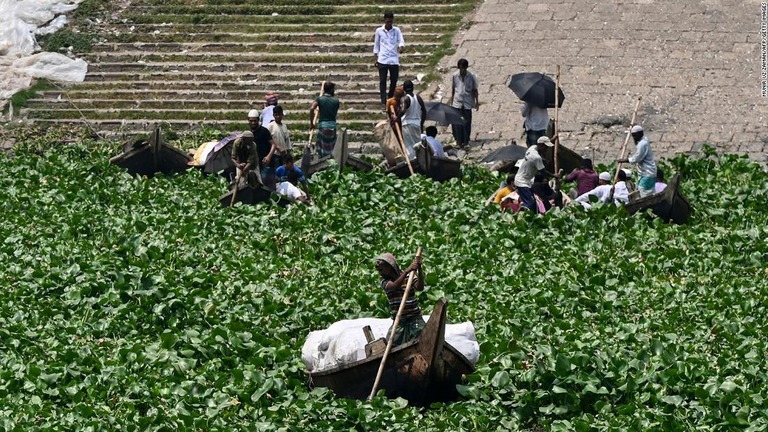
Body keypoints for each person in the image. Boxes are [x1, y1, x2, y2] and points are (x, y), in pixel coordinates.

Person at [374, 252, 424, 345]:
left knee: (424, 338)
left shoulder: (410, 276)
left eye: (381, 270)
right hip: (399, 320)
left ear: (390, 267)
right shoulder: (384, 281)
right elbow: (394, 286)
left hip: (414, 318)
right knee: (391, 344)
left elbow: (420, 287)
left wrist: (419, 269)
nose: (380, 273)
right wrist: (406, 271)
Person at [513, 136, 558, 213]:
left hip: (525, 179)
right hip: (522, 182)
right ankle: (527, 217)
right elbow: (543, 171)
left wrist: (552, 138)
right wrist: (555, 176)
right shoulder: (537, 158)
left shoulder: (532, 148)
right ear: (541, 146)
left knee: (531, 200)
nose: (546, 150)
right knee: (531, 204)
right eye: (546, 147)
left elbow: (540, 143)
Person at [373, 11, 405, 110]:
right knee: (382, 81)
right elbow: (376, 45)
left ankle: (390, 98)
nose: (389, 24)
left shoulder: (397, 30)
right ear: (384, 20)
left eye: (391, 22)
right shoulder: (379, 31)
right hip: (382, 59)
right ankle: (383, 102)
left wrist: (401, 47)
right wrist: (375, 58)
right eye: (388, 22)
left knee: (394, 80)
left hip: (393, 59)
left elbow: (401, 41)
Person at [617, 125, 656, 197]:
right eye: (633, 136)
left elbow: (637, 158)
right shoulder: (644, 140)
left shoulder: (642, 144)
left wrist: (624, 160)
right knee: (649, 192)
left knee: (642, 190)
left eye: (635, 136)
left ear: (640, 134)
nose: (634, 138)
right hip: (650, 172)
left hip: (647, 172)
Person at [449, 58, 479, 148]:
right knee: (457, 123)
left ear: (466, 68)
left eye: (463, 69)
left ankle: (466, 141)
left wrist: (476, 102)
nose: (462, 70)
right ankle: (458, 141)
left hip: (467, 102)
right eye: (460, 68)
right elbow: (453, 88)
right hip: (457, 101)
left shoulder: (471, 76)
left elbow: (475, 90)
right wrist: (452, 100)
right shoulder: (455, 76)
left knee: (466, 122)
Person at [247, 109, 278, 189]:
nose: (253, 123)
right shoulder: (249, 134)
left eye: (255, 121)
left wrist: (268, 156)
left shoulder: (264, 131)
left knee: (269, 186)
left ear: (258, 120)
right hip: (256, 164)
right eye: (251, 121)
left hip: (266, 163)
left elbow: (273, 145)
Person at [309, 82, 340, 158]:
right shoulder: (336, 101)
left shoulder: (320, 99)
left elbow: (311, 108)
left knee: (321, 148)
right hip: (332, 126)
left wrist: (311, 123)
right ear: (331, 90)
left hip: (323, 126)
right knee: (331, 147)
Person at [399, 80, 426, 160]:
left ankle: (412, 164)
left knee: (409, 148)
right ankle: (420, 162)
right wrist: (421, 123)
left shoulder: (404, 98)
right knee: (418, 146)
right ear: (413, 88)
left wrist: (396, 118)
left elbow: (403, 110)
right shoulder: (418, 97)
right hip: (417, 125)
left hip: (407, 125)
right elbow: (424, 111)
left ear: (403, 88)